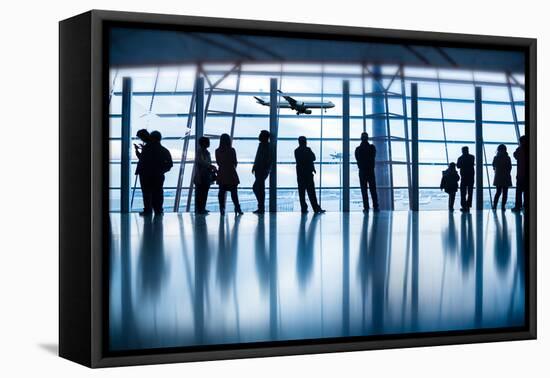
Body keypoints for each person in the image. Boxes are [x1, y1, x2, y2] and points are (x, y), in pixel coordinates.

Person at [139, 130, 173, 216]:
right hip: (158, 175)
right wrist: (161, 171)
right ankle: (158, 209)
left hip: (146, 175)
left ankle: (148, 210)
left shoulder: (147, 149)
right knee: (158, 192)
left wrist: (137, 152)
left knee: (147, 193)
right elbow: (170, 164)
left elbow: (142, 161)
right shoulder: (164, 150)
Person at [294, 136, 325, 214]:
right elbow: (314, 158)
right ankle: (316, 208)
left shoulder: (296, 151)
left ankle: (304, 208)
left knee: (302, 193)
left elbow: (302, 161)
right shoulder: (308, 150)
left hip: (300, 175)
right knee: (311, 192)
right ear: (305, 142)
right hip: (308, 174)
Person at [215, 133, 243, 216]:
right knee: (234, 193)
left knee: (221, 192)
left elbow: (218, 162)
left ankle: (222, 208)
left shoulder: (217, 151)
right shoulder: (232, 150)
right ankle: (237, 208)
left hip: (222, 173)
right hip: (231, 173)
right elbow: (235, 162)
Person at [355, 132, 379, 212]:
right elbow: (372, 157)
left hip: (362, 172)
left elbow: (358, 159)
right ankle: (375, 206)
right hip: (370, 171)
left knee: (364, 190)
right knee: (373, 190)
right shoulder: (372, 148)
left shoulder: (358, 149)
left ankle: (366, 207)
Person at [194, 136, 217, 215]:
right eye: (207, 142)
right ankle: (200, 209)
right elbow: (202, 162)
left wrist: (210, 166)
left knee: (203, 193)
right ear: (204, 143)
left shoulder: (204, 152)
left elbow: (203, 162)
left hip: (205, 175)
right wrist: (210, 166)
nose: (209, 143)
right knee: (201, 193)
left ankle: (201, 208)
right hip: (201, 176)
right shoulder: (201, 152)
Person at [252, 130, 272, 214]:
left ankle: (261, 207)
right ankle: (261, 207)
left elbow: (265, 159)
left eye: (260, 135)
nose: (259, 136)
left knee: (257, 188)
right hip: (260, 169)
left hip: (261, 170)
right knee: (259, 188)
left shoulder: (265, 146)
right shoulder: (263, 145)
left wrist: (265, 168)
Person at [134, 129, 151, 215]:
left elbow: (142, 158)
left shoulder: (148, 147)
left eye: (140, 137)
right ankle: (151, 209)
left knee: (146, 192)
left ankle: (147, 210)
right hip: (150, 173)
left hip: (145, 173)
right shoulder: (150, 146)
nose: (141, 139)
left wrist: (137, 150)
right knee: (151, 192)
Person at [492, 144, 512, 211]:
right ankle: (503, 206)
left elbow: (493, 166)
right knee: (505, 193)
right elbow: (510, 167)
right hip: (506, 177)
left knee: (498, 192)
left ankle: (494, 205)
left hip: (498, 177)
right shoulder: (508, 158)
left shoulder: (496, 158)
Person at [456, 146, 475, 212]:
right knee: (470, 192)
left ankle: (464, 206)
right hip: (471, 177)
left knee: (463, 193)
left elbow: (458, 166)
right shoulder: (472, 157)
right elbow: (471, 164)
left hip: (464, 177)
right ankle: (468, 206)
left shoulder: (460, 158)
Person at [512, 135, 528, 212]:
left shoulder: (519, 150)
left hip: (521, 174)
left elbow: (515, 155)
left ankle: (518, 206)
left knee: (518, 192)